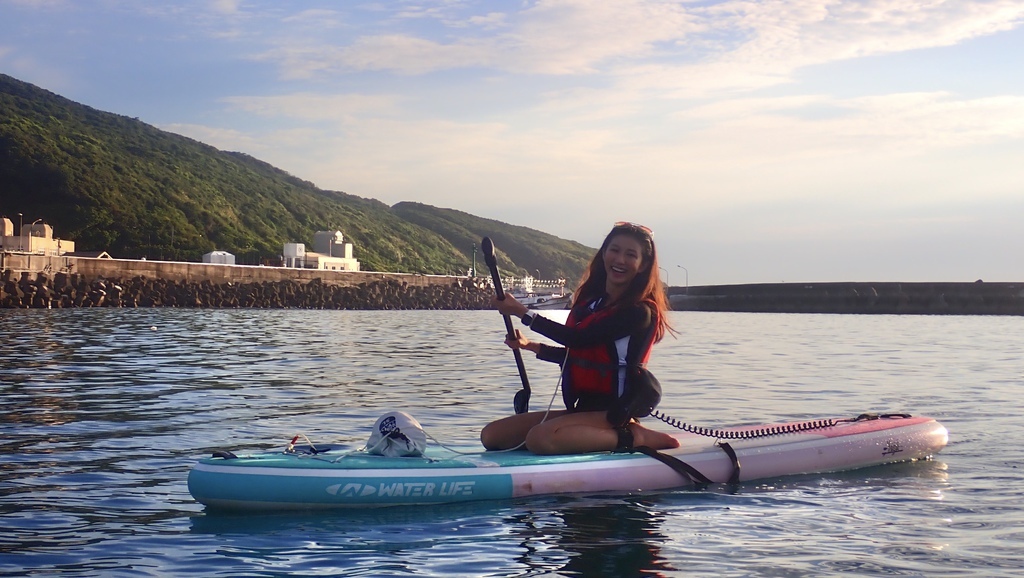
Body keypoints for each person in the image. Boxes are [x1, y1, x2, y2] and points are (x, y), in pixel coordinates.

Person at [481, 221, 680, 455]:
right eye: (614, 250)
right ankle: (577, 436)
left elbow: (578, 339)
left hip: (614, 413)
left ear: (642, 264)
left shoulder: (638, 312)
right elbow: (580, 355)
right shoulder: (593, 304)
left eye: (630, 255)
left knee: (540, 438)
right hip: (582, 409)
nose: (620, 260)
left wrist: (522, 313)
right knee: (492, 436)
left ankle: (635, 435)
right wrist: (530, 346)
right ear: (604, 253)